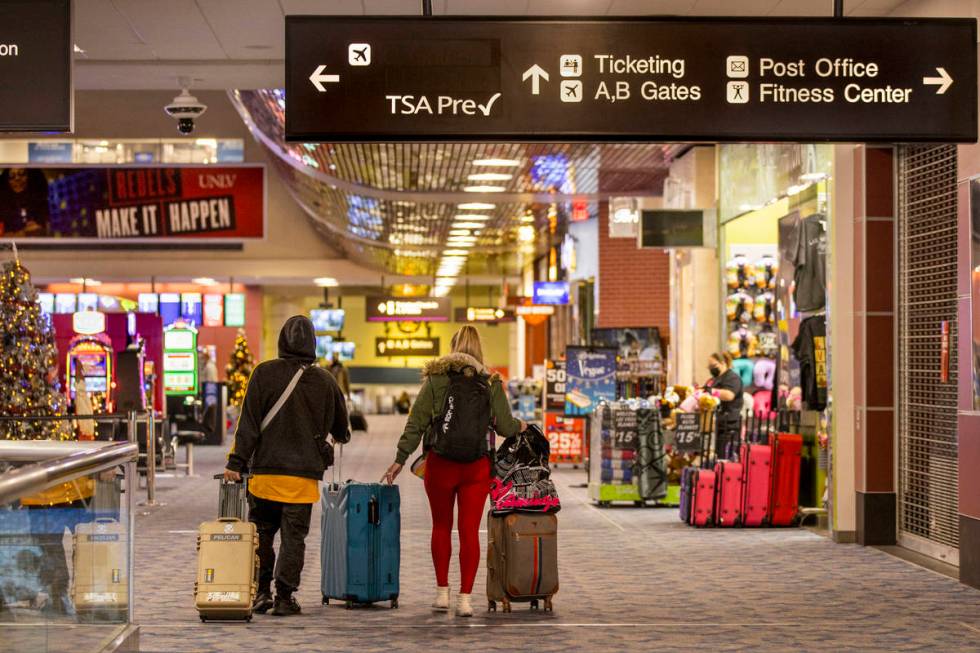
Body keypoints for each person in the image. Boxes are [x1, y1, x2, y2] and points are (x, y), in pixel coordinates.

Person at [382, 326, 526, 617]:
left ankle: (442, 594)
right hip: (477, 467)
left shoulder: (436, 379)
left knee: (441, 527)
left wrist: (400, 458)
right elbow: (505, 427)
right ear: (479, 350)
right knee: (470, 531)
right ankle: (465, 600)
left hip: (441, 464)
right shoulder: (491, 382)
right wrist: (522, 426)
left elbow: (417, 422)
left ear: (452, 347)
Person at [224, 316, 349, 617]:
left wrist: (236, 462)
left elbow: (249, 425)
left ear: (282, 341)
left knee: (262, 535)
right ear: (312, 345)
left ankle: (261, 592)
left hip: (265, 475)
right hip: (302, 478)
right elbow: (342, 429)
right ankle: (284, 597)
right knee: (294, 539)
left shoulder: (263, 374)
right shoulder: (325, 381)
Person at [704, 351, 743, 460]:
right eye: (709, 367)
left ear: (723, 363)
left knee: (725, 459)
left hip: (729, 426)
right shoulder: (715, 379)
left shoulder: (732, 378)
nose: (711, 369)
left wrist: (711, 391)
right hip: (718, 424)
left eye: (713, 366)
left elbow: (729, 395)